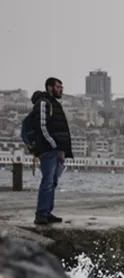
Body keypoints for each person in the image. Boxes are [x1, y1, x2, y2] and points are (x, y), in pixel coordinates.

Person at [32, 77, 73, 225]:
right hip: (48, 150)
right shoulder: (44, 103)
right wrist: (54, 145)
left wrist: (61, 150)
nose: (61, 89)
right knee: (47, 182)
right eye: (58, 87)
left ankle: (47, 212)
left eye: (61, 87)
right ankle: (41, 214)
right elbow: (42, 126)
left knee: (53, 182)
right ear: (49, 87)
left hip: (56, 151)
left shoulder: (54, 104)